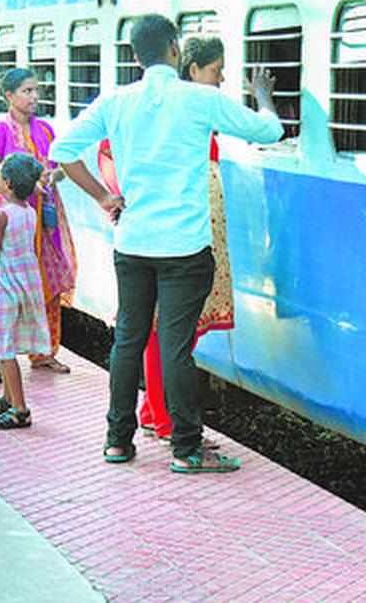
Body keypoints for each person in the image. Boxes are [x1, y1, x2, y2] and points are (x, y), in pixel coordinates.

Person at [49, 14, 283, 472]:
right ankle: (186, 449)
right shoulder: (201, 99)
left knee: (128, 343)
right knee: (175, 347)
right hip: (184, 249)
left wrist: (102, 196)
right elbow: (268, 132)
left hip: (133, 244)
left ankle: (117, 441)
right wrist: (264, 98)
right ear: (175, 49)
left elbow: (62, 150)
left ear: (136, 56)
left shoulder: (116, 102)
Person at [123, 36, 233, 447]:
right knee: (170, 333)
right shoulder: (188, 111)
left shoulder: (177, 110)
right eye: (215, 70)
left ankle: (154, 411)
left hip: (171, 235)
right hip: (180, 239)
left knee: (163, 330)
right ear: (190, 71)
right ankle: (169, 422)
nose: (221, 79)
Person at [0, 67, 76, 374]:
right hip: (12, 216)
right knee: (6, 283)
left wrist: (50, 176)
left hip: (43, 218)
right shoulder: (1, 130)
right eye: (27, 91)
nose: (35, 96)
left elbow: (59, 166)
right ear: (9, 96)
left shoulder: (45, 130)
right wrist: (20, 179)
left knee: (46, 282)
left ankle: (44, 352)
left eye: (36, 90)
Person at [0, 153, 50, 429]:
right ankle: (6, 397)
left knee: (4, 350)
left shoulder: (2, 215)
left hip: (5, 287)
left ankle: (19, 409)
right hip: (25, 283)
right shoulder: (29, 212)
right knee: (8, 344)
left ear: (6, 183)